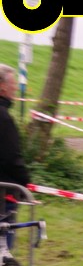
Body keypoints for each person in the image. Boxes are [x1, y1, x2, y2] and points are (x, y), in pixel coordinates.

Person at [0, 64, 31, 249]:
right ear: (2, 87)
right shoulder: (4, 118)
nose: (16, 88)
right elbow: (11, 158)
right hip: (4, 194)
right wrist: (26, 183)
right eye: (13, 83)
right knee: (3, 248)